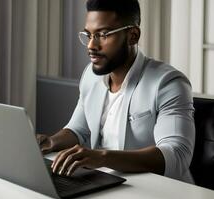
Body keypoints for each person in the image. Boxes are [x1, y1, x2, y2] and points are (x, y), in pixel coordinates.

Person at [37, 0, 195, 183]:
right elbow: (78, 130)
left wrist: (102, 158)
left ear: (133, 35)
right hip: (107, 184)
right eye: (89, 35)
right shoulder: (91, 75)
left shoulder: (168, 83)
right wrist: (50, 142)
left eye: (103, 34)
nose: (91, 46)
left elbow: (176, 155)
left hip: (160, 191)